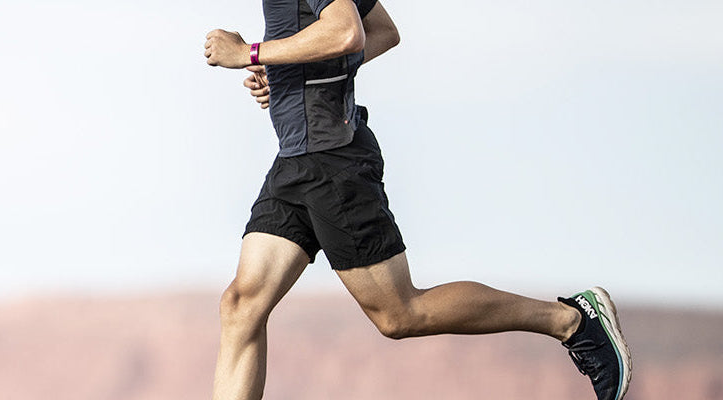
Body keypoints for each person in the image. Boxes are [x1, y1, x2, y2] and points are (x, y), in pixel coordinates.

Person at [203, 0, 632, 399]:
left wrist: (251, 53)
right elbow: (384, 31)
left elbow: (347, 33)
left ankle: (571, 321)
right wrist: (285, 71)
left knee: (400, 313)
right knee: (241, 305)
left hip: (331, 161)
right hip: (295, 160)